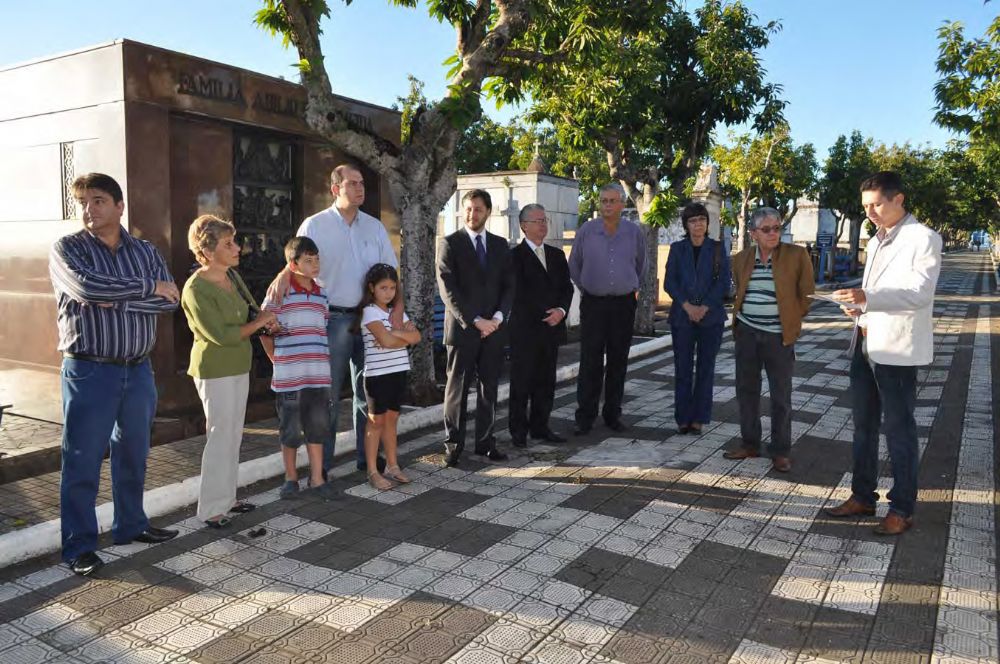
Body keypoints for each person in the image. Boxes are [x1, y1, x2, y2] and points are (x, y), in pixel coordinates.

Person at [49, 173, 181, 576]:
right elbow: (88, 289)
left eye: (99, 200)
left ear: (120, 206)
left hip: (138, 371)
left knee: (133, 454)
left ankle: (131, 525)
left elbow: (170, 301)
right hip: (90, 371)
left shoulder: (144, 249)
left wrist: (118, 299)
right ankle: (79, 546)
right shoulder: (68, 248)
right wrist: (146, 288)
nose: (89, 209)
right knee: (82, 460)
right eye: (83, 201)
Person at [826, 171, 942, 535]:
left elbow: (919, 293)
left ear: (898, 199)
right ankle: (862, 495)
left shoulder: (923, 238)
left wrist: (869, 298)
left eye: (876, 204)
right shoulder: (875, 240)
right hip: (864, 339)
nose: (870, 212)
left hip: (895, 348)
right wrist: (858, 306)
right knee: (862, 426)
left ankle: (902, 507)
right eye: (866, 207)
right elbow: (872, 292)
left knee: (899, 429)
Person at [269, 164, 398, 475]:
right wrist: (282, 277)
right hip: (333, 319)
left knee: (368, 395)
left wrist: (396, 315)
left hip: (370, 319)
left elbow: (392, 274)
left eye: (362, 183)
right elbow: (295, 263)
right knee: (326, 397)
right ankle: (321, 465)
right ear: (335, 189)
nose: (359, 188)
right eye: (352, 183)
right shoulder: (315, 225)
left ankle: (365, 459)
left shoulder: (374, 227)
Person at [182, 215, 277, 528]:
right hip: (214, 369)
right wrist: (260, 323)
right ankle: (211, 509)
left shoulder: (232, 277)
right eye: (229, 244)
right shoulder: (195, 288)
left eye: (234, 241)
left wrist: (266, 319)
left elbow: (252, 310)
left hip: (238, 364)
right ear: (208, 251)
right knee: (219, 435)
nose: (238, 248)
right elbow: (220, 335)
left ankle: (227, 499)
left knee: (234, 434)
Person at [722, 207, 813, 473]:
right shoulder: (740, 259)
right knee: (746, 391)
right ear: (753, 234)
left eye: (777, 228)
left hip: (779, 336)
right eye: (766, 229)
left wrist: (789, 320)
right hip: (747, 334)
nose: (773, 233)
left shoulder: (797, 255)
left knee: (780, 395)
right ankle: (750, 443)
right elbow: (740, 290)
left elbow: (806, 294)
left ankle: (781, 451)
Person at [437, 189, 515, 466]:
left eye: (478, 209)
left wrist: (496, 318)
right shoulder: (450, 243)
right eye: (468, 209)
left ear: (488, 212)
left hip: (493, 330)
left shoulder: (499, 244)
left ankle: (485, 443)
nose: (472, 214)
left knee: (489, 388)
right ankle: (453, 445)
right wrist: (474, 320)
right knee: (457, 388)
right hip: (463, 330)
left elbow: (509, 286)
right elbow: (448, 289)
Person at [568, 183, 647, 435]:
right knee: (589, 360)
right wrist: (591, 288)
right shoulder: (586, 231)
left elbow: (642, 266)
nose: (608, 206)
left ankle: (613, 414)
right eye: (603, 201)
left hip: (623, 304)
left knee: (618, 361)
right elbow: (574, 266)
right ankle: (585, 417)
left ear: (623, 204)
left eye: (613, 201)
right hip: (594, 303)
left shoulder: (634, 233)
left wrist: (627, 287)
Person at [261, 237, 334, 499]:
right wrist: (275, 360)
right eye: (308, 260)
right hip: (289, 377)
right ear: (293, 264)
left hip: (317, 375)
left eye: (316, 259)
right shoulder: (279, 291)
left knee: (317, 426)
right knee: (290, 428)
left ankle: (317, 479)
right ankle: (290, 478)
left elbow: (321, 327)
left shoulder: (322, 293)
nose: (315, 265)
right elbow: (264, 328)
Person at [508, 204, 574, 448]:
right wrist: (543, 313)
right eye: (537, 221)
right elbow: (518, 293)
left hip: (552, 329)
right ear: (524, 226)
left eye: (544, 220)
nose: (543, 225)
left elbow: (567, 288)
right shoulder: (514, 257)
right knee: (521, 382)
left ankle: (541, 427)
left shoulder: (556, 255)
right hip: (526, 330)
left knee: (546, 382)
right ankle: (518, 431)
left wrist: (561, 311)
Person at [664, 202, 731, 435]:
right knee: (682, 368)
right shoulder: (677, 249)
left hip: (710, 319)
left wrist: (703, 307)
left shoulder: (717, 248)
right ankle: (683, 417)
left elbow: (723, 282)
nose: (698, 224)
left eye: (701, 219)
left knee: (706, 369)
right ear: (686, 224)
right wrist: (687, 306)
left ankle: (699, 417)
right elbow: (669, 282)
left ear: (707, 223)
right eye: (692, 220)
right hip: (682, 318)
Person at [359, 264, 421, 488]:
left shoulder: (397, 313)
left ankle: (392, 465)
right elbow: (384, 341)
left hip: (398, 373)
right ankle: (373, 471)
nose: (388, 292)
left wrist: (394, 332)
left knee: (392, 420)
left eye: (392, 288)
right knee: (376, 422)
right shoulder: (369, 312)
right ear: (371, 288)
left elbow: (416, 337)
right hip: (377, 376)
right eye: (383, 287)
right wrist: (400, 335)